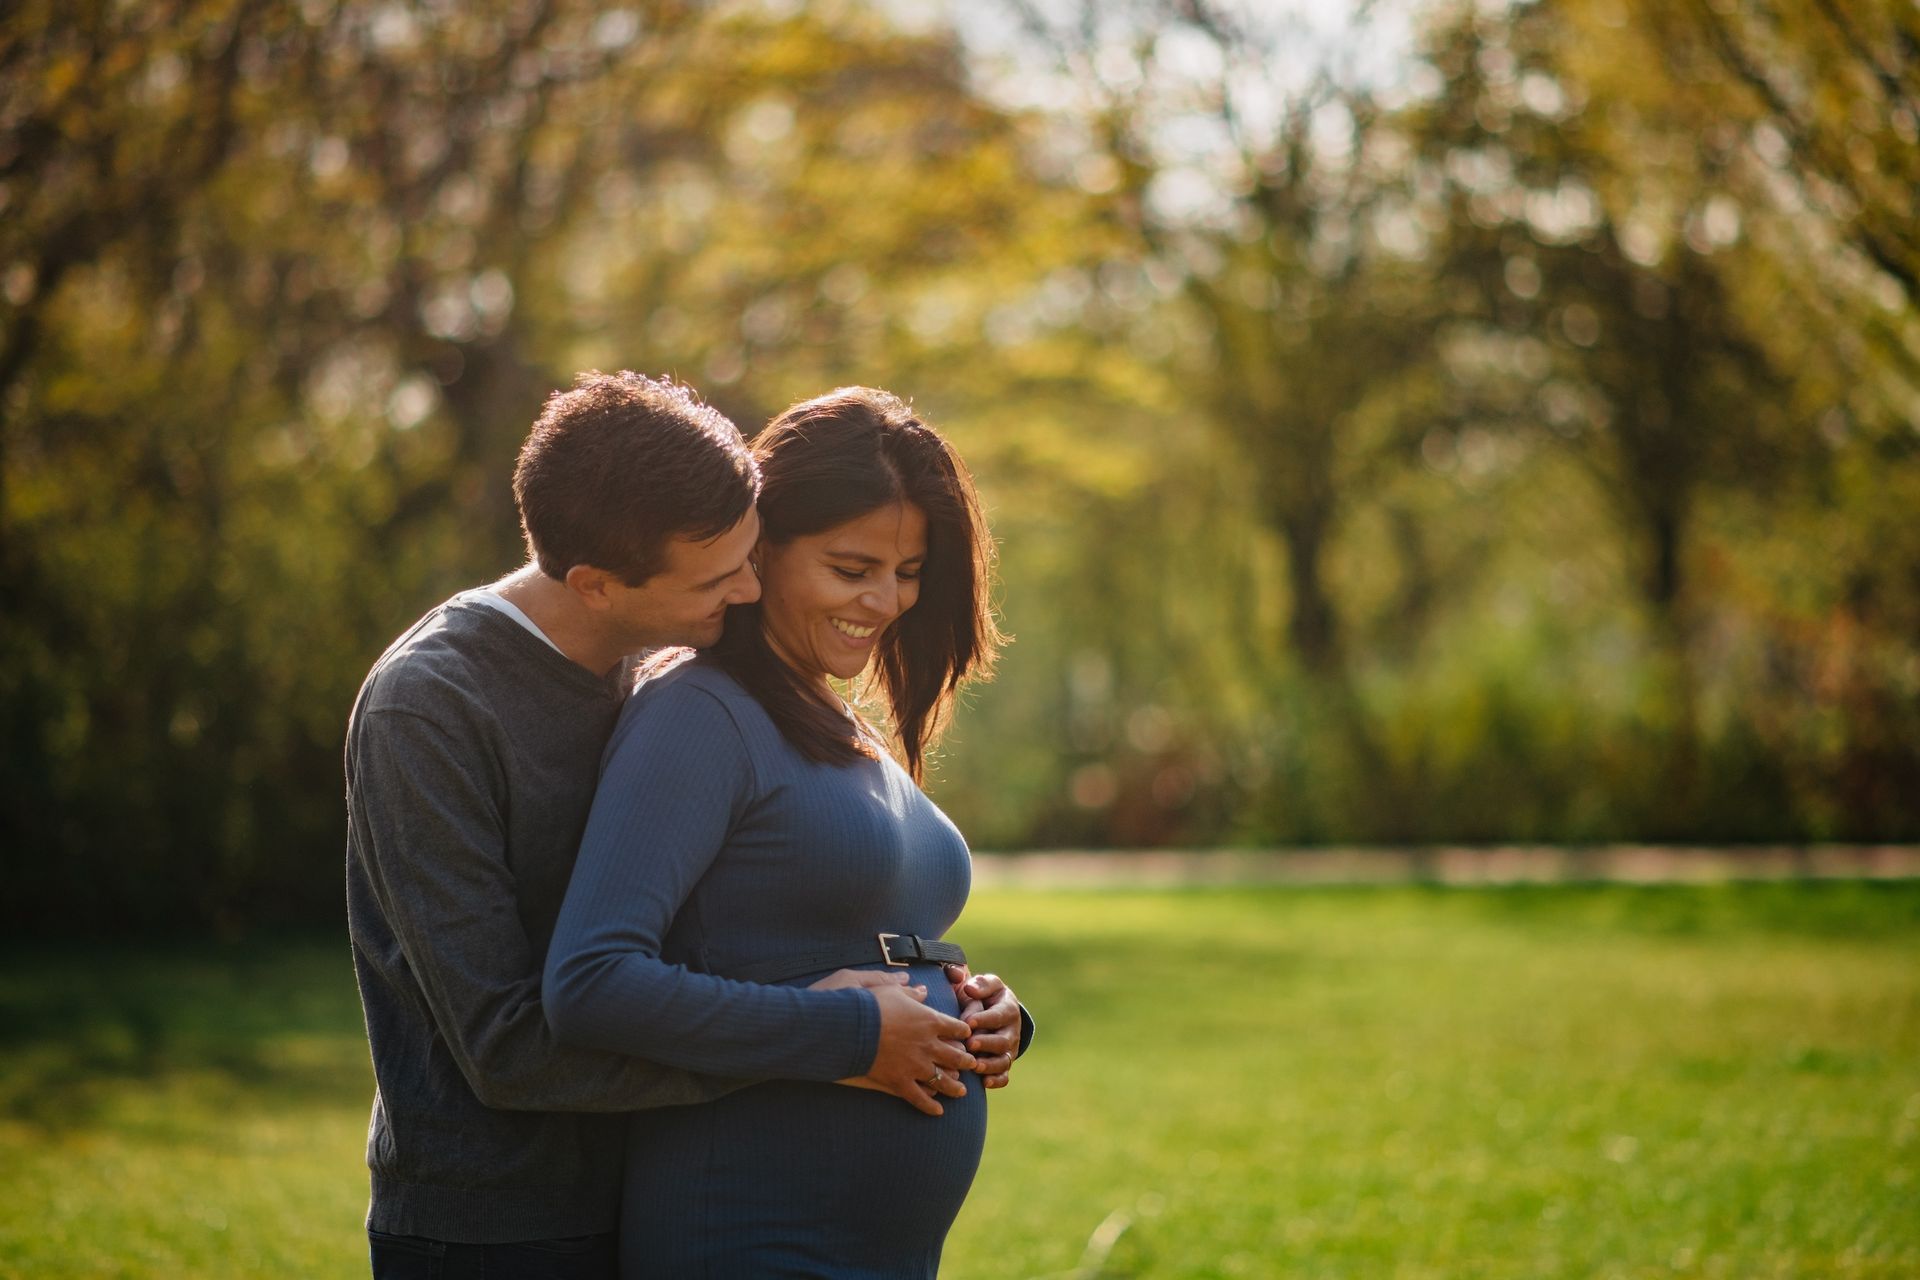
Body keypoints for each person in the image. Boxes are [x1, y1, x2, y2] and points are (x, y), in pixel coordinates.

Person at [345, 372, 1027, 1279]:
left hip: (630, 1183)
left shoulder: (653, 663)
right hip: (498, 1224)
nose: (748, 588)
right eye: (721, 574)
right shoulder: (431, 705)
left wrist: (956, 1013)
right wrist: (837, 1039)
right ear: (596, 585)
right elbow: (507, 1045)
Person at [543, 386, 1024, 1278]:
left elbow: (840, 945)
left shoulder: (830, 715)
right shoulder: (699, 711)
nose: (884, 600)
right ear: (761, 549)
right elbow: (591, 981)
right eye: (851, 568)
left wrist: (982, 1013)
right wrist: (847, 1034)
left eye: (908, 570)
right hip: (753, 1228)